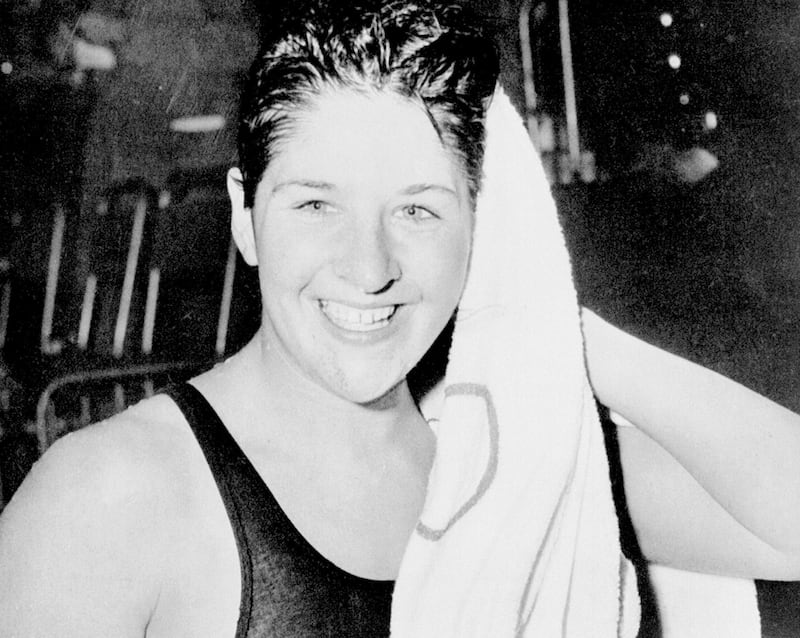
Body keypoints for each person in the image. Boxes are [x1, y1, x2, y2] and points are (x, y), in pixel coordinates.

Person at [0, 1, 798, 636]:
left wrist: (572, 338)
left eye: (417, 210)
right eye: (316, 204)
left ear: (483, 231)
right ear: (246, 215)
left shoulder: (517, 455)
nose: (369, 266)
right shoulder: (109, 498)